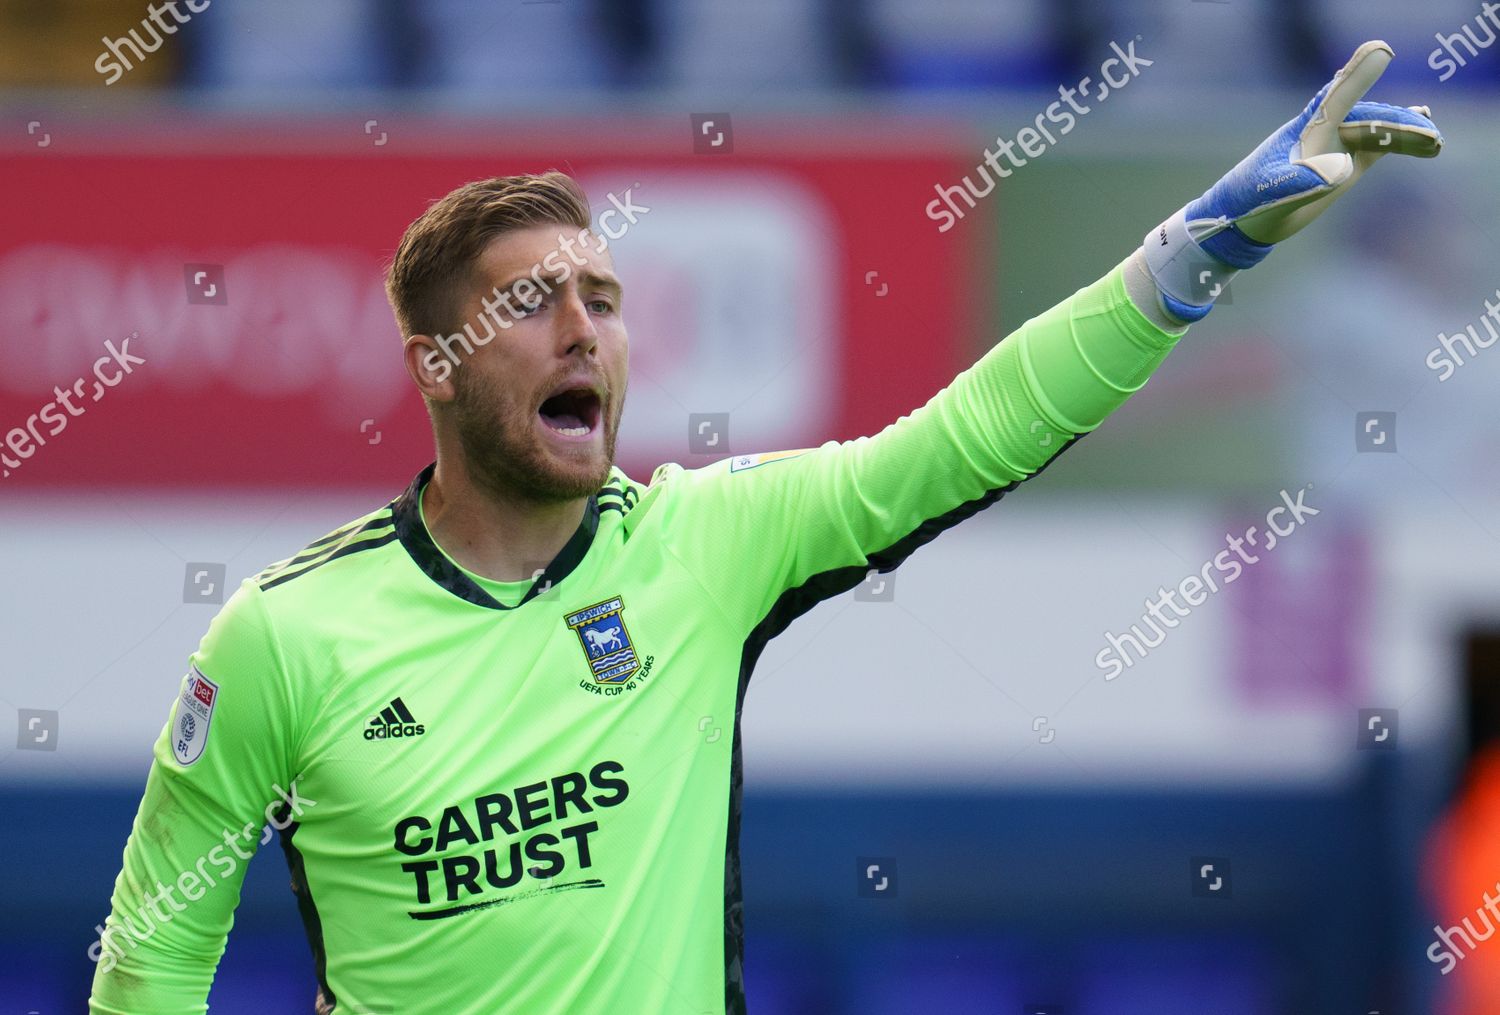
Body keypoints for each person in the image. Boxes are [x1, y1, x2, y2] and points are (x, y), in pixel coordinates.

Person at [89, 40, 1439, 1015]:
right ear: (436, 363)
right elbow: (151, 962)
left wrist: (1194, 254)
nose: (583, 331)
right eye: (531, 305)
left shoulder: (704, 547)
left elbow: (971, 434)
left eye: (603, 299)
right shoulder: (285, 635)